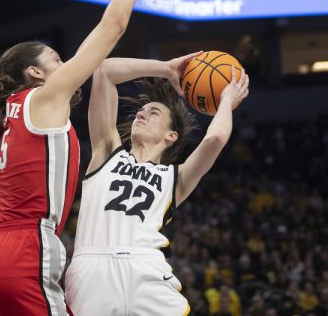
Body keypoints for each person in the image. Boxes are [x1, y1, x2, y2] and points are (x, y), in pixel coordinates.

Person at [0, 0, 166, 316]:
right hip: (25, 248)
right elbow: (113, 27)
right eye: (56, 59)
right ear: (35, 72)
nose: (66, 64)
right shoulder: (45, 95)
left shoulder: (10, 111)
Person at [65, 54, 250, 315]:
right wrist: (165, 68)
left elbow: (216, 138)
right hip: (92, 270)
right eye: (141, 110)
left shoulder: (177, 178)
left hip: (147, 268)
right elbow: (105, 71)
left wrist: (226, 100)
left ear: (171, 136)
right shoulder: (106, 152)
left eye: (154, 112)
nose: (142, 113)